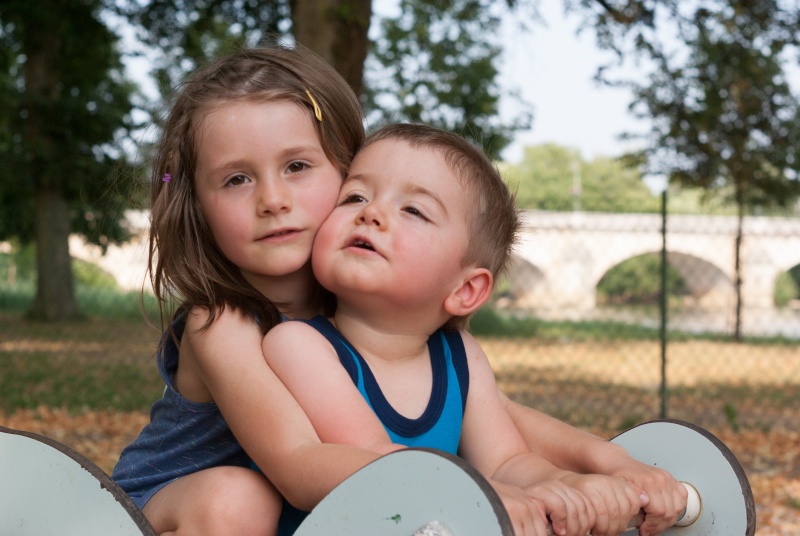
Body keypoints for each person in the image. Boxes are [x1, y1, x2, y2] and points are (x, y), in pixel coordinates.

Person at [112, 43, 685, 536]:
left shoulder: (356, 311)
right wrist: (477, 492)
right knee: (238, 499)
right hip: (157, 515)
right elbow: (300, 461)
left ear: (345, 168)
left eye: (297, 167)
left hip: (304, 513)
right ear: (199, 206)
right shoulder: (223, 324)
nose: (273, 199)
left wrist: (604, 464)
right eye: (237, 179)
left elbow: (494, 422)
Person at [261, 123, 645, 536]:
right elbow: (377, 460)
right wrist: (485, 493)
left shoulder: (459, 355)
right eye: (354, 196)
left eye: (413, 210)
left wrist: (564, 485)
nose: (370, 212)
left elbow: (505, 461)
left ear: (465, 289)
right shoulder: (301, 344)